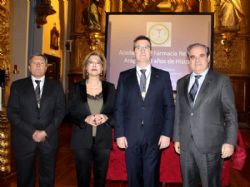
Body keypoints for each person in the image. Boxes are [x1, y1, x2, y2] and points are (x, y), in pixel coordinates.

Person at [173, 43, 238, 187]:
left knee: (211, 183)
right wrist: (177, 138)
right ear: (188, 60)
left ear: (208, 58)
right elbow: (179, 113)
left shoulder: (221, 81)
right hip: (185, 145)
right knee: (188, 183)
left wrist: (229, 142)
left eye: (201, 56)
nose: (197, 60)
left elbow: (230, 114)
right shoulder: (181, 82)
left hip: (210, 144)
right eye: (192, 57)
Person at [115, 35, 175, 187]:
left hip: (154, 136)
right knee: (133, 177)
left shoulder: (163, 76)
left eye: (146, 47)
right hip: (130, 135)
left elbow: (169, 106)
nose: (142, 50)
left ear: (151, 52)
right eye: (138, 48)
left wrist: (167, 133)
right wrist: (120, 134)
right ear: (133, 52)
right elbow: (119, 106)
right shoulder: (124, 76)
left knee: (151, 177)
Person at [7, 54, 65, 187]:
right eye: (34, 63)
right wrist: (32, 132)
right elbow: (12, 112)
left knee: (47, 176)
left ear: (46, 68)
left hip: (49, 138)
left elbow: (61, 112)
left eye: (41, 63)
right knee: (25, 176)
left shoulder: (56, 86)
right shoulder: (17, 86)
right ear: (29, 67)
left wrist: (45, 132)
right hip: (24, 138)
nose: (38, 65)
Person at [68, 51, 116, 187]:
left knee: (100, 180)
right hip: (81, 139)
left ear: (102, 68)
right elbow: (69, 112)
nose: (94, 65)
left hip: (103, 139)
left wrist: (106, 117)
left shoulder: (110, 88)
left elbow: (117, 112)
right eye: (91, 62)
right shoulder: (76, 88)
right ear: (85, 67)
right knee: (83, 179)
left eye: (98, 63)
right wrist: (85, 118)